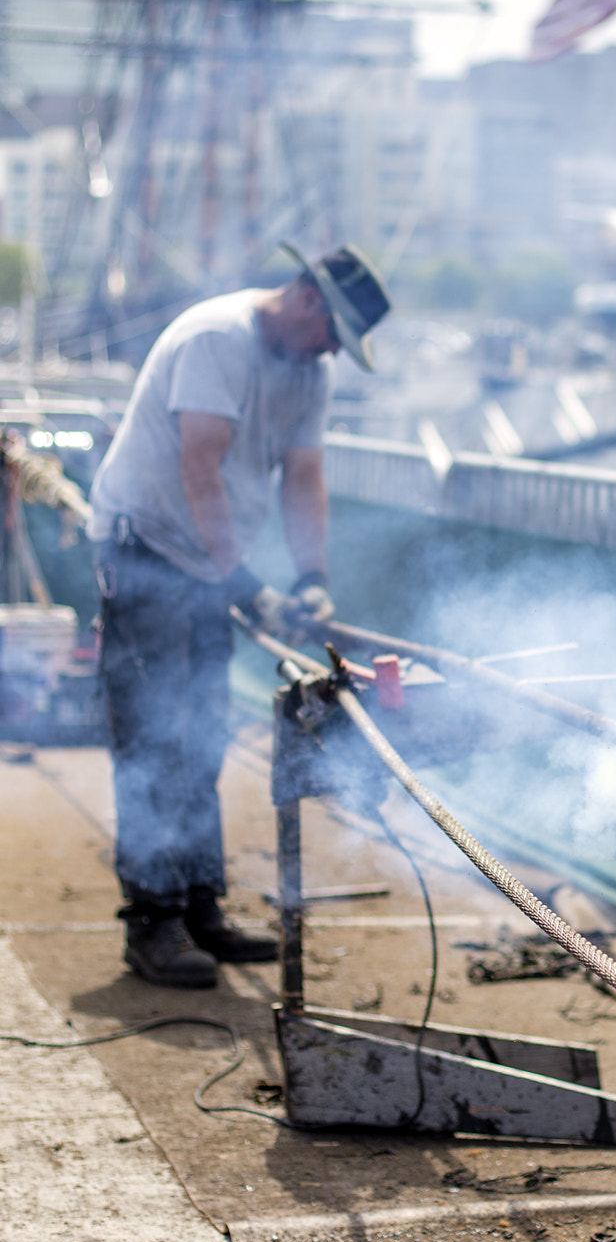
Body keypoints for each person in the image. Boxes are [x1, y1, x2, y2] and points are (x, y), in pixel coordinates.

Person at [89, 245, 391, 988]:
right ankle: (152, 921)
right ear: (309, 302)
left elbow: (305, 477)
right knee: (155, 734)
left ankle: (199, 904)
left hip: (205, 564)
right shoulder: (216, 339)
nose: (330, 352)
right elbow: (201, 466)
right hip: (147, 548)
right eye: (331, 334)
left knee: (203, 731)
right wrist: (245, 581)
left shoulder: (308, 372)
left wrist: (312, 576)